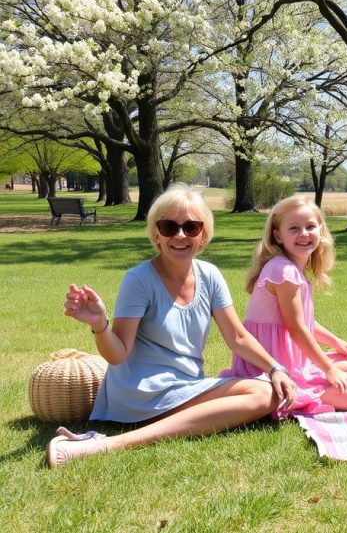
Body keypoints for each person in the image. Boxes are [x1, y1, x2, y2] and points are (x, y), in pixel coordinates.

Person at [50, 185, 298, 468]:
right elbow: (117, 355)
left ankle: (147, 430)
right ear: (156, 233)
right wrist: (100, 325)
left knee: (268, 390)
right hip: (140, 391)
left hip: (185, 385)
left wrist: (275, 368)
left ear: (203, 234)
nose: (180, 235)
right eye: (169, 227)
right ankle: (106, 444)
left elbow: (238, 336)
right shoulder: (139, 280)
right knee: (263, 394)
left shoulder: (210, 275)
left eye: (191, 227)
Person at [221, 195, 347, 417]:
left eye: (310, 226)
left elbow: (305, 321)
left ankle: (313, 380)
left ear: (321, 230)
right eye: (294, 228)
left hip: (292, 356)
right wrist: (329, 370)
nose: (304, 234)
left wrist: (336, 342)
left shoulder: (293, 268)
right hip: (273, 363)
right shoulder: (284, 272)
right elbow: (296, 328)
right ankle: (296, 395)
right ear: (278, 236)